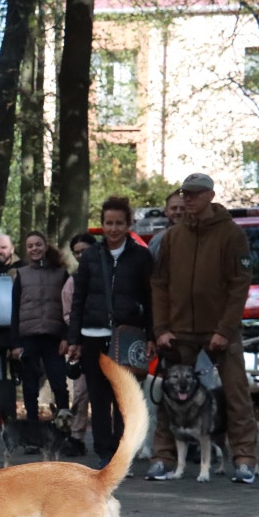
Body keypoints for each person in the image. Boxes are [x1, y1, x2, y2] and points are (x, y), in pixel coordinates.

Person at [146, 173, 259, 483]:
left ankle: (245, 458)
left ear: (210, 195)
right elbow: (159, 285)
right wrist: (161, 329)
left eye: (195, 194)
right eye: (185, 193)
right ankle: (163, 458)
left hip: (220, 329)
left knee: (236, 394)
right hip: (178, 329)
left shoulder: (231, 235)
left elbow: (239, 286)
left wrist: (225, 329)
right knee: (170, 392)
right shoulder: (172, 237)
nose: (188, 199)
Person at [67, 199, 154, 469]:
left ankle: (121, 449)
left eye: (119, 223)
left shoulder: (141, 256)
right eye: (108, 223)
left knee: (124, 396)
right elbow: (78, 299)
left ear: (128, 225)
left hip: (128, 335)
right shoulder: (92, 256)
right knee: (98, 395)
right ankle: (104, 451)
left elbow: (150, 298)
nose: (113, 228)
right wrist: (74, 340)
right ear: (101, 225)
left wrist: (151, 335)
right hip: (93, 334)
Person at [10, 230, 70, 421]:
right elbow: (15, 309)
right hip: (28, 338)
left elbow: (69, 307)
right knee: (30, 385)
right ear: (26, 250)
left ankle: (64, 426)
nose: (34, 249)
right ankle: (32, 429)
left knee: (59, 383)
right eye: (30, 246)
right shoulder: (21, 274)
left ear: (45, 246)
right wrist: (15, 343)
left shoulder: (61, 274)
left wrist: (67, 337)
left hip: (54, 338)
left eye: (38, 244)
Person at [62, 232, 97, 455]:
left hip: (109, 342)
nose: (81, 256)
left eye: (85, 251)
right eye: (77, 253)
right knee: (81, 391)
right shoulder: (71, 282)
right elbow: (68, 315)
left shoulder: (106, 275)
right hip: (83, 343)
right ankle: (76, 437)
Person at [147, 189, 185, 260]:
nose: (178, 212)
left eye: (183, 208)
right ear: (166, 211)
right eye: (174, 208)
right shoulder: (157, 241)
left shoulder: (198, 239)